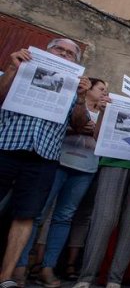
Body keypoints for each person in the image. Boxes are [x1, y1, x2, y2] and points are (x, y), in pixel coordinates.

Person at [0, 39, 91, 288]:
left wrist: (82, 98)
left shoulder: (73, 87)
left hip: (44, 156)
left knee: (26, 216)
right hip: (5, 146)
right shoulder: (18, 67)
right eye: (58, 49)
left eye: (70, 54)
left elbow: (80, 123)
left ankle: (5, 276)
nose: (63, 54)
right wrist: (11, 70)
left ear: (76, 63)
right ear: (46, 51)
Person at [13, 78, 108, 288]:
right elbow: (59, 127)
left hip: (85, 169)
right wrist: (77, 128)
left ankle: (48, 267)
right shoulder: (71, 101)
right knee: (36, 214)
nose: (104, 94)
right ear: (89, 89)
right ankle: (20, 264)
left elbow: (102, 140)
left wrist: (103, 115)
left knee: (64, 217)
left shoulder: (104, 112)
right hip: (58, 161)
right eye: (101, 89)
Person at [73, 76, 130, 288]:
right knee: (104, 219)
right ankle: (86, 278)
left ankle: (114, 280)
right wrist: (104, 112)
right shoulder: (115, 107)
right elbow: (97, 136)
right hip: (114, 163)